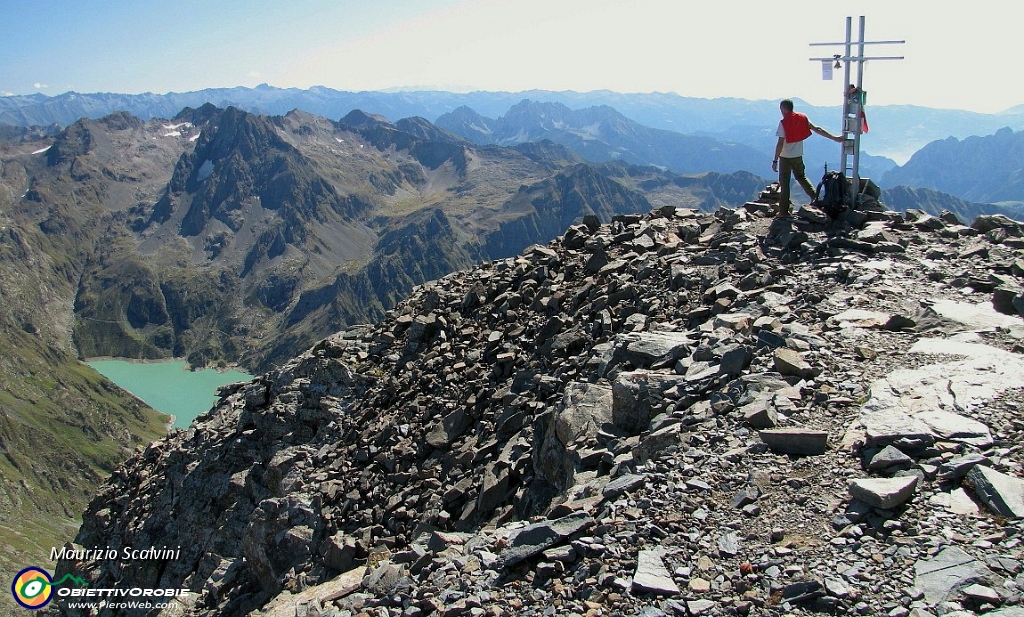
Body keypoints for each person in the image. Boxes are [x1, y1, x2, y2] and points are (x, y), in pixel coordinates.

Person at [771, 99, 843, 217]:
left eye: (781, 109)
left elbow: (780, 143)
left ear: (784, 108)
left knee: (785, 183)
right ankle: (816, 198)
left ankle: (783, 211)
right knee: (801, 177)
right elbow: (817, 129)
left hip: (785, 157)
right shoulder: (802, 118)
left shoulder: (783, 122)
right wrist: (834, 138)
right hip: (798, 155)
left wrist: (775, 160)